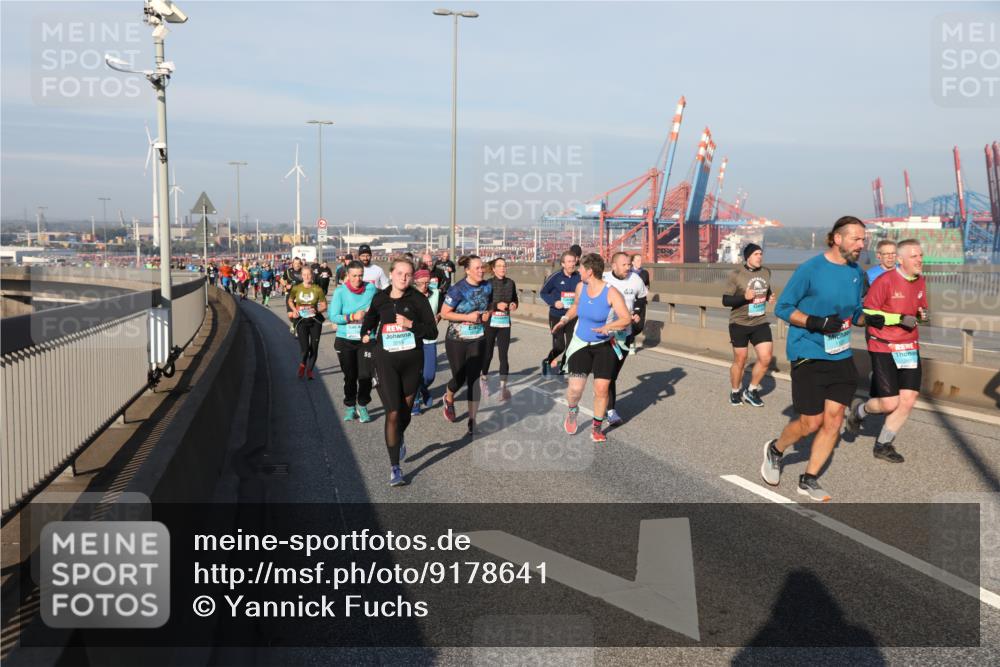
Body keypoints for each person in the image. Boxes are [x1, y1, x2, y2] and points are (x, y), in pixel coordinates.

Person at [760, 216, 881, 502]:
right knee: (810, 423)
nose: (861, 245)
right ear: (837, 238)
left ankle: (809, 478)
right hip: (808, 352)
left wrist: (868, 318)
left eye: (863, 239)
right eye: (856, 239)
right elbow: (783, 308)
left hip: (840, 354)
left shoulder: (855, 273)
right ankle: (775, 450)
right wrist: (815, 322)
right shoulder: (810, 269)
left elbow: (854, 314)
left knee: (835, 419)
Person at [843, 239, 928, 463]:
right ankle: (860, 412)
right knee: (889, 403)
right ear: (901, 260)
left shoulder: (920, 281)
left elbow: (920, 306)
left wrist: (921, 314)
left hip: (909, 346)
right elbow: (868, 314)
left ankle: (883, 445)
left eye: (921, 255)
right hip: (884, 345)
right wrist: (899, 318)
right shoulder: (884, 281)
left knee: (908, 400)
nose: (920, 259)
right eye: (914, 256)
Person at [361, 258, 438, 486]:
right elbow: (369, 322)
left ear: (412, 277)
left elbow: (432, 331)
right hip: (386, 360)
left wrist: (410, 324)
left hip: (412, 361)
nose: (404, 277)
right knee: (393, 412)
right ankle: (395, 467)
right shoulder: (380, 298)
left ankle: (398, 436)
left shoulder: (418, 299)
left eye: (408, 274)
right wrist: (366, 334)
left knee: (404, 411)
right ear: (391, 274)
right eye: (400, 273)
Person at [551, 253, 632, 443]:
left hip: (604, 345)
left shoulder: (611, 292)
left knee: (602, 389)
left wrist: (608, 327)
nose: (578, 270)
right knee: (575, 390)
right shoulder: (581, 287)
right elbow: (577, 307)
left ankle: (596, 428)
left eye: (581, 268)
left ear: (589, 271)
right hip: (581, 345)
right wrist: (564, 320)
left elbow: (626, 318)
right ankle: (572, 410)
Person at [439, 255, 493, 433]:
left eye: (482, 267)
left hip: (477, 337)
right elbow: (445, 313)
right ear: (467, 270)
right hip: (457, 339)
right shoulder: (457, 289)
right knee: (459, 378)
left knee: (474, 380)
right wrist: (467, 317)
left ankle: (472, 420)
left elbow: (489, 305)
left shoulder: (487, 286)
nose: (481, 270)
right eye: (477, 268)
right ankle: (448, 397)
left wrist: (487, 314)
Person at [723, 243, 776, 407]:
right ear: (748, 257)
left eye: (761, 253)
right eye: (756, 254)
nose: (760, 256)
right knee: (741, 360)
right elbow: (725, 300)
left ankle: (751, 390)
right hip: (739, 323)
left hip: (759, 321)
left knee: (766, 358)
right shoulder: (736, 274)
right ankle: (735, 391)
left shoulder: (766, 272)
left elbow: (765, 288)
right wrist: (744, 297)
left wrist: (769, 297)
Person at [601, 252, 648, 426]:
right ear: (613, 266)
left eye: (629, 265)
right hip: (605, 333)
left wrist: (636, 313)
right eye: (624, 265)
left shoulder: (636, 280)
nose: (628, 268)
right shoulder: (603, 278)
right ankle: (610, 410)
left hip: (625, 334)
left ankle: (603, 391)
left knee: (613, 373)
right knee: (608, 372)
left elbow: (642, 298)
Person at [328, 260, 377, 423]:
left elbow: (380, 308)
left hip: (365, 339)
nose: (357, 279)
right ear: (347, 276)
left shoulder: (371, 289)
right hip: (345, 339)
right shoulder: (340, 292)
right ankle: (350, 406)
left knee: (365, 376)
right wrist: (352, 317)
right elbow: (333, 316)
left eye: (360, 275)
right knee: (350, 376)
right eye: (354, 276)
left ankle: (362, 405)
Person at [481, 257, 518, 402]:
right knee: (488, 354)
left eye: (504, 266)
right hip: (490, 323)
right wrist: (496, 306)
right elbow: (483, 303)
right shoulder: (488, 284)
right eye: (500, 266)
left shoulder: (511, 283)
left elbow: (515, 299)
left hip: (504, 323)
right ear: (494, 269)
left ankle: (503, 388)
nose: (503, 268)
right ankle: (483, 378)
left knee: (504, 355)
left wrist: (514, 304)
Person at [539, 251, 581, 376]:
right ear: (563, 264)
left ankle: (563, 368)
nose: (572, 264)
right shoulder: (555, 277)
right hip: (556, 315)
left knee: (571, 345)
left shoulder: (579, 276)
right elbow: (543, 292)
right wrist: (554, 302)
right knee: (559, 346)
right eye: (569, 262)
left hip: (572, 316)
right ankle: (548, 361)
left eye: (573, 261)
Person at [287, 265, 327, 380]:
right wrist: (294, 310)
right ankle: (303, 364)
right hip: (301, 321)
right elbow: (290, 300)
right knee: (304, 349)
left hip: (315, 321)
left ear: (312, 275)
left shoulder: (317, 289)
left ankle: (310, 370)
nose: (307, 277)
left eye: (309, 274)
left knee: (314, 347)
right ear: (302, 276)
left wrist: (317, 310)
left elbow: (324, 306)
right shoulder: (297, 288)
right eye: (304, 275)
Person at [412, 268, 442, 414]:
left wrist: (439, 316)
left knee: (429, 375)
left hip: (430, 338)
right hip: (413, 339)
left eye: (427, 282)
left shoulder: (436, 293)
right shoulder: (409, 295)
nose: (425, 285)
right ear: (415, 281)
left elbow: (444, 309)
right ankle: (415, 401)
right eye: (422, 283)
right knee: (415, 372)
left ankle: (423, 389)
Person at [283, 258, 305, 334]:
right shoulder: (288, 271)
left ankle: (297, 328)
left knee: (299, 313)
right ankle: (293, 323)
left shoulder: (303, 271)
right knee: (290, 315)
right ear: (292, 263)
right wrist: (286, 285)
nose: (297, 265)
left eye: (298, 263)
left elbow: (309, 280)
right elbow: (282, 279)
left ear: (300, 263)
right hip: (290, 295)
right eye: (295, 263)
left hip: (300, 295)